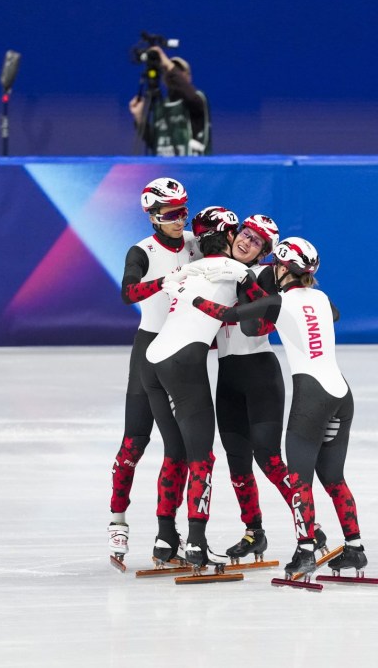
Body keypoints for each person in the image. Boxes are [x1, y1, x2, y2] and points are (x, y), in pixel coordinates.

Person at [193, 238, 369, 580]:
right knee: (333, 478)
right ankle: (355, 547)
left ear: (282, 267)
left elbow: (228, 315)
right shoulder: (321, 298)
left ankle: (305, 551)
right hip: (341, 393)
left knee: (301, 480)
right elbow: (335, 314)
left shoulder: (277, 302)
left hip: (312, 398)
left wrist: (192, 295)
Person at [212, 214, 327, 561]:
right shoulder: (214, 271)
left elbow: (264, 322)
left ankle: (311, 528)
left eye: (257, 242)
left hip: (260, 375)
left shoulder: (265, 276)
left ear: (266, 253)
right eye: (245, 235)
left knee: (269, 458)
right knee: (237, 462)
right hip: (227, 377)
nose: (247, 242)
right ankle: (254, 532)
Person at [143, 206, 250, 568]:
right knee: (201, 458)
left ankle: (164, 538)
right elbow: (259, 310)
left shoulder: (186, 270)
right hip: (185, 364)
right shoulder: (238, 270)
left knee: (175, 453)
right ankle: (196, 544)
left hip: (153, 360)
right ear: (230, 235)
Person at [107, 177, 200, 567]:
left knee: (179, 449)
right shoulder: (141, 251)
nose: (181, 219)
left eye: (184, 210)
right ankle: (118, 521)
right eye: (172, 214)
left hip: (187, 352)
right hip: (150, 349)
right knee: (135, 441)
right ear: (152, 216)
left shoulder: (197, 243)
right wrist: (164, 282)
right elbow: (127, 293)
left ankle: (167, 534)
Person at [129, 47, 211, 157]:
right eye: (167, 72)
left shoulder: (198, 99)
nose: (172, 74)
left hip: (191, 168)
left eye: (179, 71)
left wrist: (167, 64)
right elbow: (153, 142)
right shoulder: (160, 106)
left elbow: (190, 96)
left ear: (189, 77)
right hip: (164, 169)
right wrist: (139, 118)